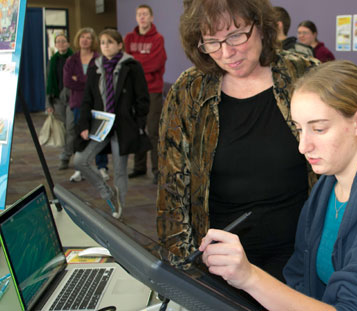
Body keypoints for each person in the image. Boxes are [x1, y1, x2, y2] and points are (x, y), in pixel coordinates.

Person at [197, 60, 357, 310]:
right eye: (299, 129)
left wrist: (250, 277)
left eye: (319, 129)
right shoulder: (327, 186)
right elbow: (299, 274)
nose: (303, 147)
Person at [157, 0, 319, 280]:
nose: (226, 52)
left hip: (299, 256)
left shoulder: (304, 75)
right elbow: (172, 190)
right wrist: (179, 274)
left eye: (235, 35)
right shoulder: (189, 91)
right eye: (212, 42)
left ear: (261, 25)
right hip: (219, 261)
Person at [73, 29, 150, 219]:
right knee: (80, 160)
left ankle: (120, 207)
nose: (105, 46)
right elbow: (87, 99)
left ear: (119, 45)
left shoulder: (131, 66)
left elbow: (142, 98)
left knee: (120, 170)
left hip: (122, 126)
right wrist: (83, 124)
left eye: (109, 42)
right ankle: (106, 191)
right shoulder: (95, 67)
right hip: (100, 125)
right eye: (102, 43)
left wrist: (138, 123)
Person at [124, 4, 167, 184]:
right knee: (137, 129)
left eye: (145, 14)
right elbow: (126, 63)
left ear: (151, 18)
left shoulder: (158, 38)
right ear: (136, 18)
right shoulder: (129, 38)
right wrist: (138, 63)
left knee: (153, 131)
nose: (142, 17)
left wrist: (136, 62)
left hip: (153, 90)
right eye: (139, 14)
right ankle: (139, 167)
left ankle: (157, 170)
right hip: (134, 92)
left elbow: (156, 63)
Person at [63, 28, 110, 182]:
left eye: (88, 38)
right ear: (78, 40)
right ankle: (80, 169)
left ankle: (102, 167)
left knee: (98, 135)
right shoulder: (71, 60)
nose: (85, 40)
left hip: (97, 104)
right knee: (80, 135)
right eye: (82, 37)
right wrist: (87, 83)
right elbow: (68, 81)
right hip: (78, 103)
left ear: (93, 41)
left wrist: (80, 80)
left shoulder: (98, 59)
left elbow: (99, 83)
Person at [45, 33, 73, 170]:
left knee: (71, 128)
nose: (61, 44)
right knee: (65, 129)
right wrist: (48, 104)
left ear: (68, 43)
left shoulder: (74, 59)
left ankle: (67, 155)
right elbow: (48, 83)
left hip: (73, 99)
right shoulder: (52, 61)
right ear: (55, 45)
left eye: (63, 41)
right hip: (58, 100)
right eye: (58, 42)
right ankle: (66, 155)